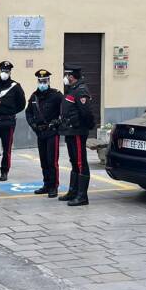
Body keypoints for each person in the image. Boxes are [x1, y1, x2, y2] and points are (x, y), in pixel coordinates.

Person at [58, 65, 95, 207]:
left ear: (71, 77)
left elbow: (86, 113)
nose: (65, 78)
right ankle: (73, 191)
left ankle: (82, 196)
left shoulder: (81, 90)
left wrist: (84, 127)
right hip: (70, 131)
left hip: (78, 131)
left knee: (80, 162)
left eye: (67, 75)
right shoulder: (72, 89)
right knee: (74, 161)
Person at [25, 69, 64, 197]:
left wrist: (58, 122)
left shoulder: (56, 95)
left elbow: (64, 111)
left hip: (52, 132)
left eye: (44, 81)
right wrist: (33, 125)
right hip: (40, 133)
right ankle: (46, 184)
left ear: (48, 81)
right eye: (40, 81)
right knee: (43, 161)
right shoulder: (34, 96)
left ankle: (54, 186)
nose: (42, 83)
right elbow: (28, 112)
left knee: (52, 161)